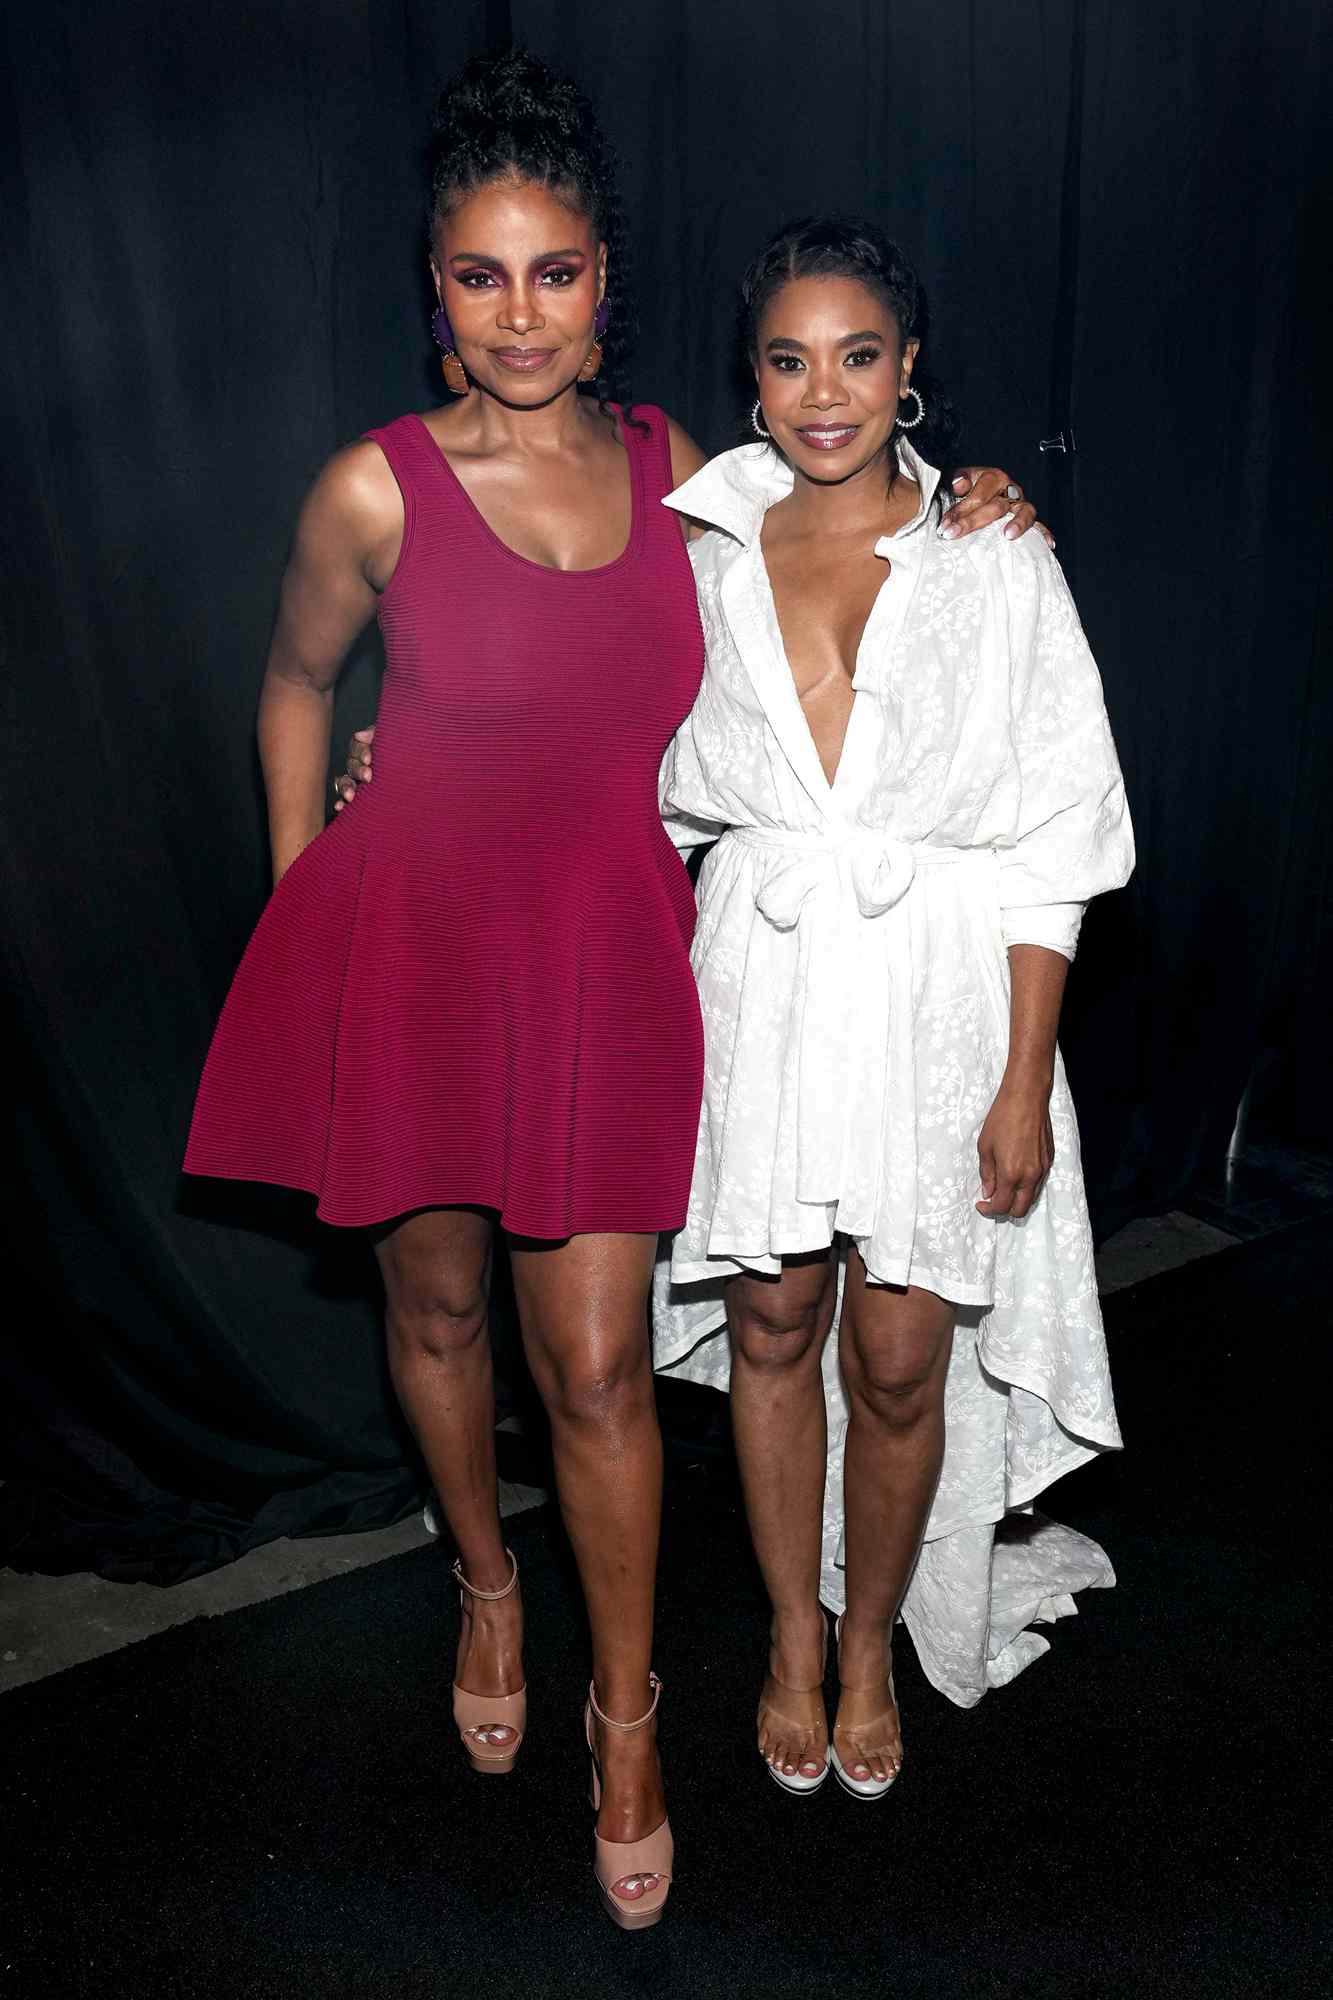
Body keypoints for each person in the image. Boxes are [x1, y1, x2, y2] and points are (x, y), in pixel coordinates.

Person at [220, 50, 1036, 1928]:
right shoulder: (376, 485)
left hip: (599, 961)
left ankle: (632, 1714)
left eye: (557, 271)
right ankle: (484, 1586)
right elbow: (289, 682)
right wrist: (304, 910)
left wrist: (972, 490)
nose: (521, 313)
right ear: (435, 289)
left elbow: (863, 501)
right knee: (435, 1323)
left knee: (594, 1367)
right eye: (482, 276)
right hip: (409, 954)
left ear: (609, 280)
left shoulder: (692, 466)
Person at [648, 217, 1134, 1799]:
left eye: (858, 354)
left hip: (937, 993)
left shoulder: (992, 554)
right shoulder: (700, 549)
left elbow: (1057, 831)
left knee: (905, 1359)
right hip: (764, 990)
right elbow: (593, 749)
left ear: (909, 369)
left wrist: (1021, 1079)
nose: (823, 391)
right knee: (775, 1323)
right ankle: (794, 1636)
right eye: (788, 360)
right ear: (753, 378)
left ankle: (870, 1648)